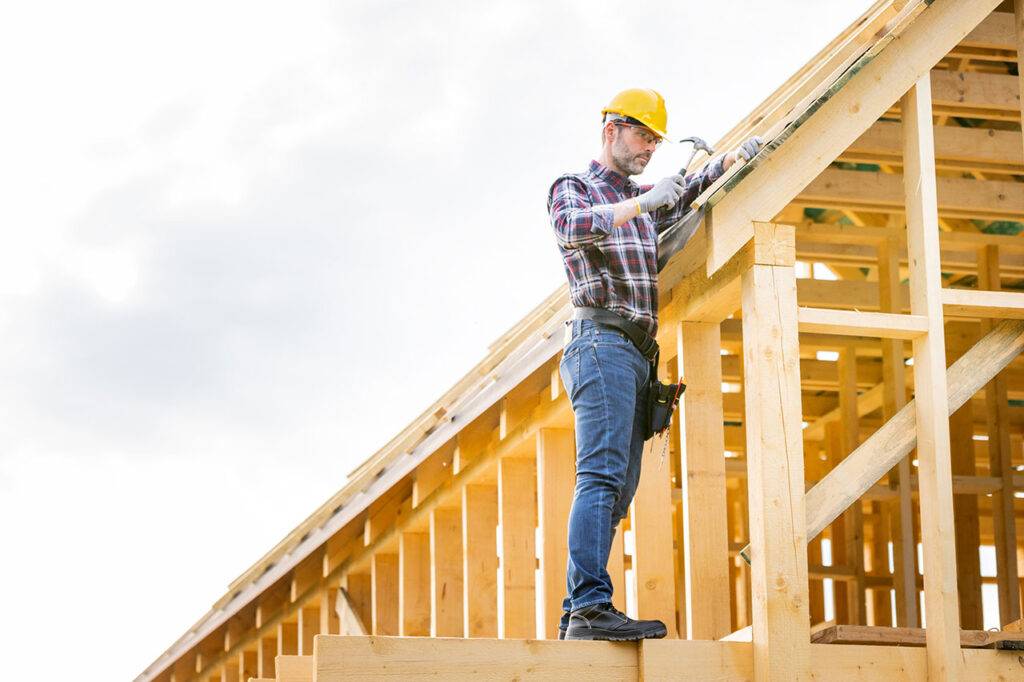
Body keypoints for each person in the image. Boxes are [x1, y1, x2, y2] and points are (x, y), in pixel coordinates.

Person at [546, 88, 762, 641]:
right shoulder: (576, 187)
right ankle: (592, 606)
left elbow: (685, 188)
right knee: (599, 476)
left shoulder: (646, 201)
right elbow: (574, 228)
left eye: (657, 141)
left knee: (617, 490)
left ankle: (579, 617)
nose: (650, 147)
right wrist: (643, 203)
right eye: (642, 135)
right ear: (611, 130)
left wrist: (731, 160)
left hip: (635, 356)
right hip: (600, 342)